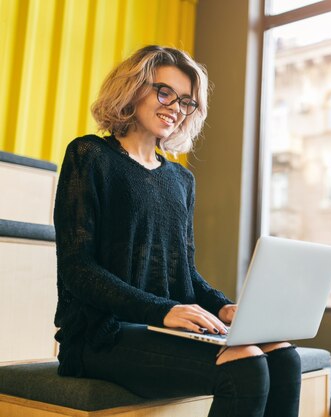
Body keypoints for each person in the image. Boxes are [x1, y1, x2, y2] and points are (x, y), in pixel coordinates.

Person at [53, 45, 301, 417]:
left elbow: (183, 273)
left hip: (160, 328)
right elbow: (78, 268)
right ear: (132, 88)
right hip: (101, 335)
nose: (174, 107)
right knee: (245, 364)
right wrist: (163, 310)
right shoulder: (89, 156)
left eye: (185, 101)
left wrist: (224, 306)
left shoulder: (181, 179)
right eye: (164, 91)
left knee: (284, 356)